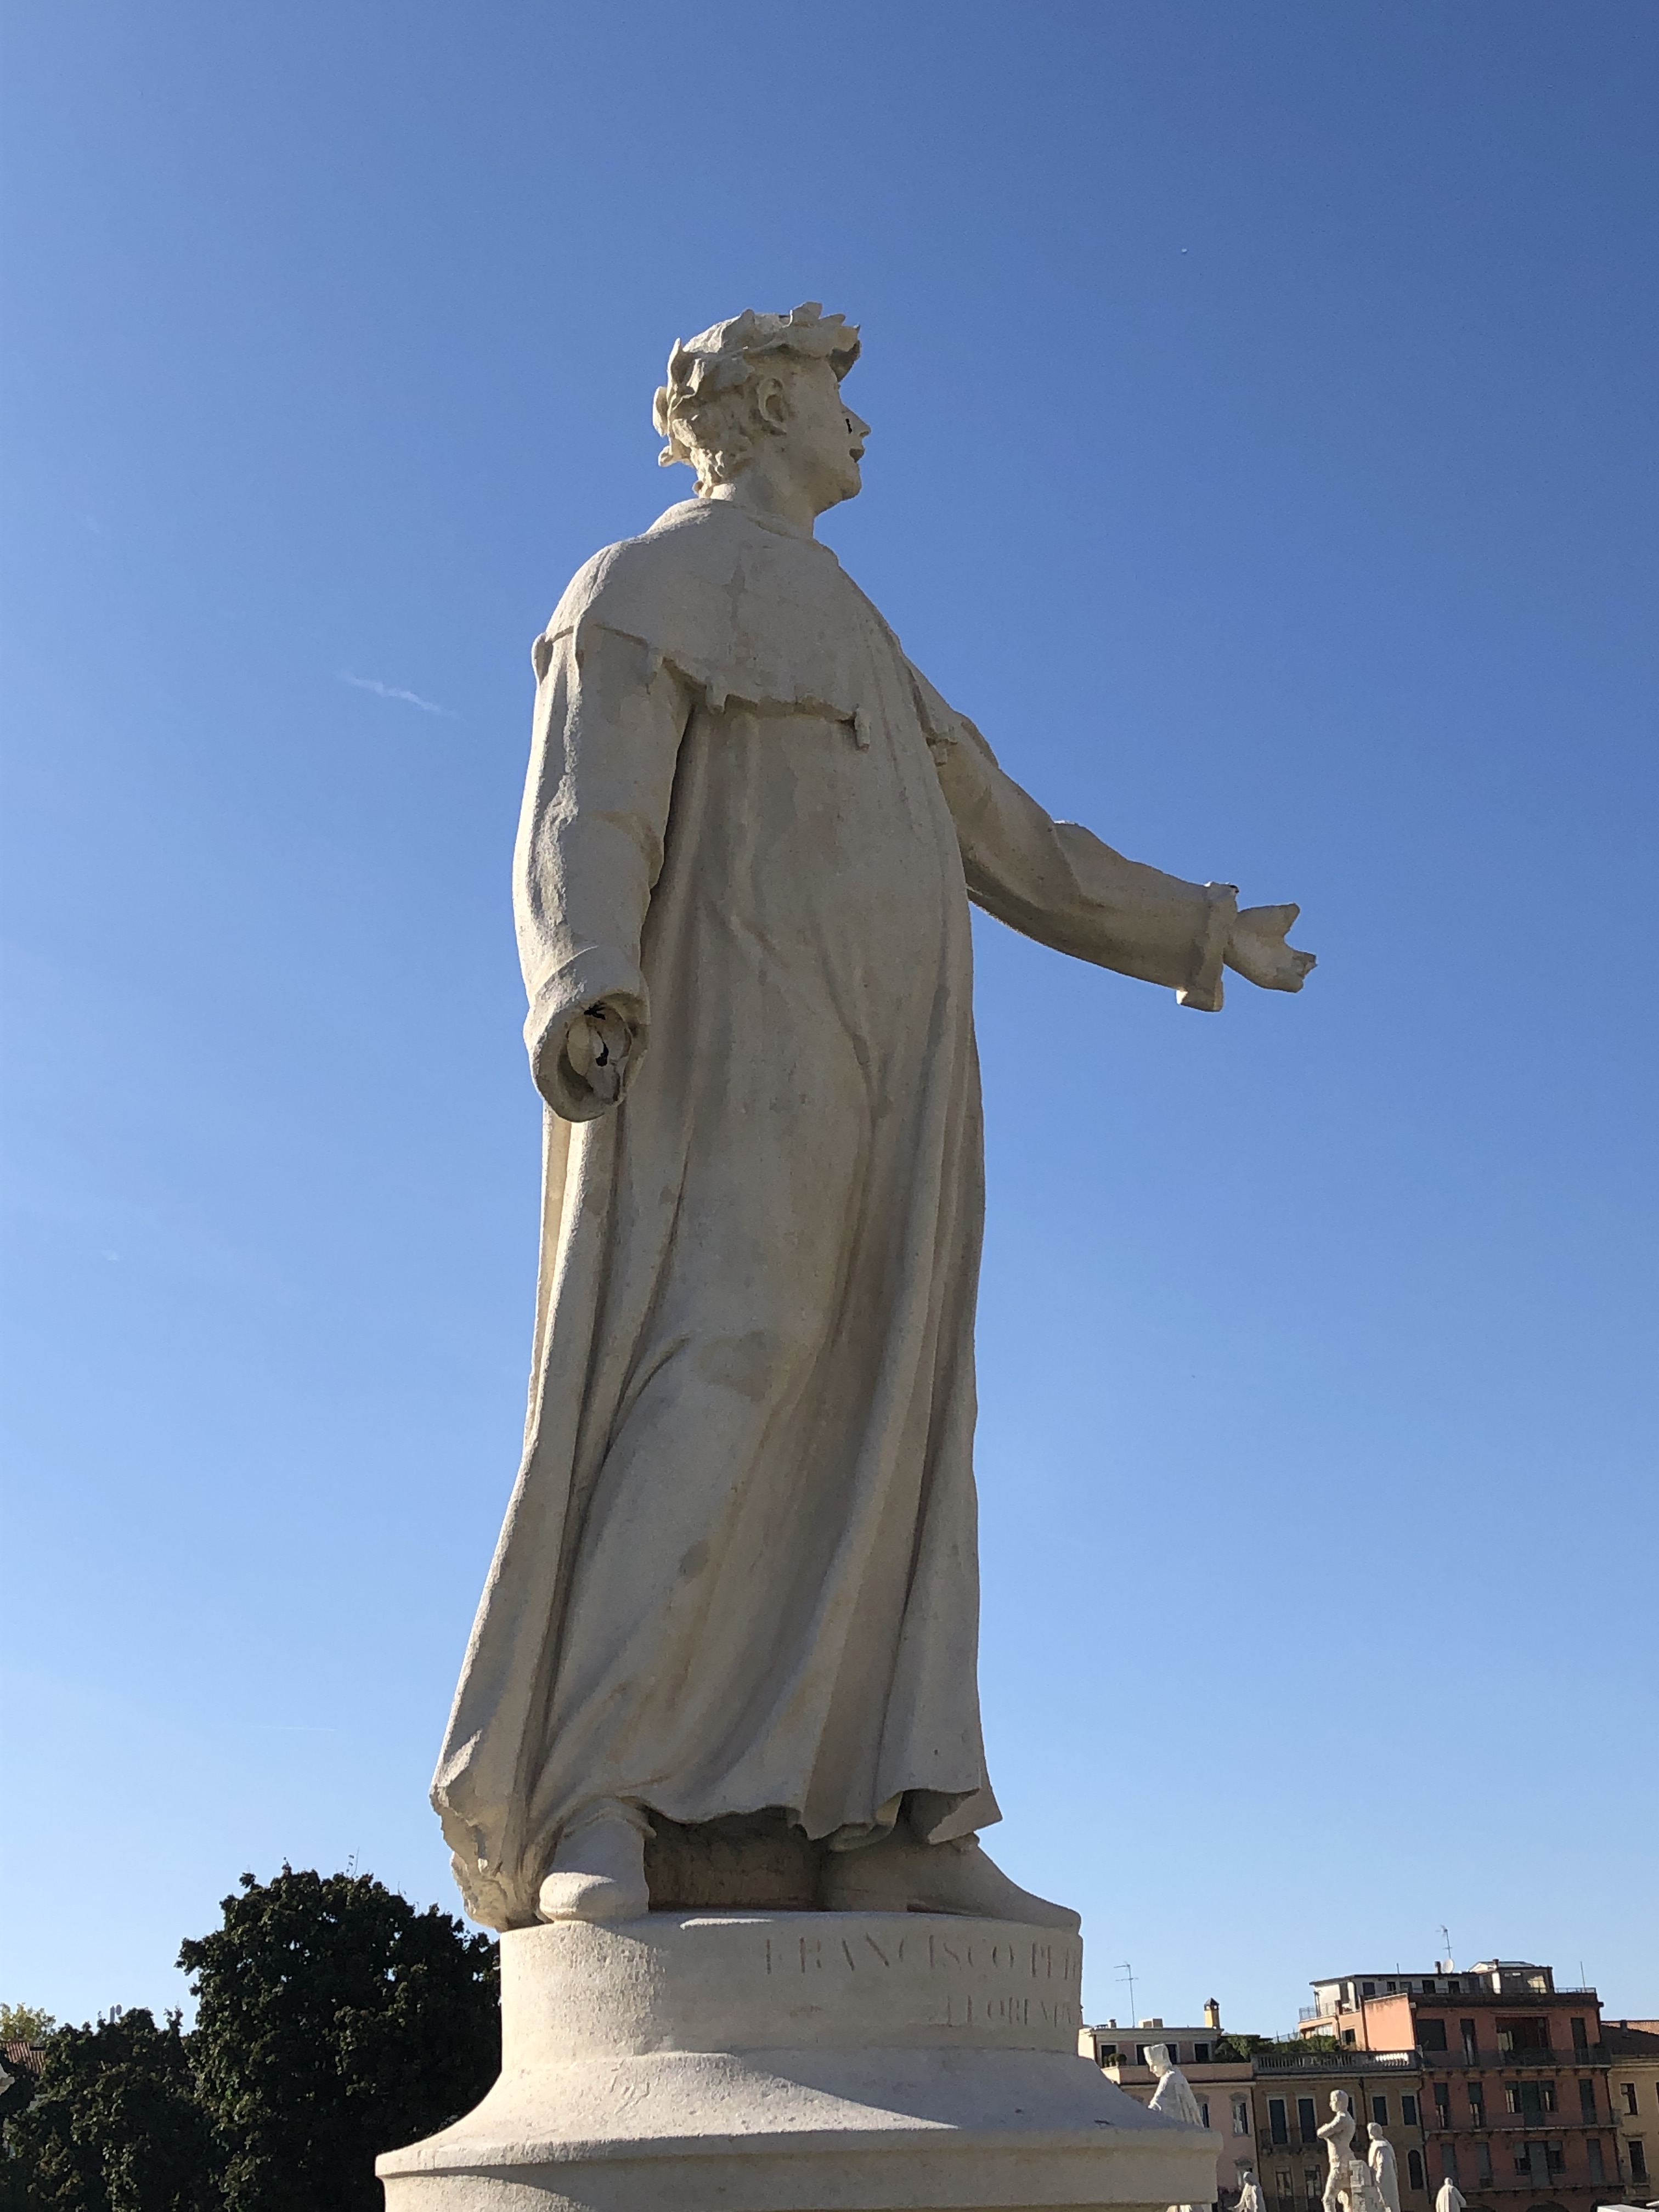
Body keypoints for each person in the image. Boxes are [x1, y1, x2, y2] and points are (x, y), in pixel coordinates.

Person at [431, 302, 1316, 1932]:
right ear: (764, 408)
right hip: (732, 1037)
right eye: (837, 397)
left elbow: (1012, 838)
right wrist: (584, 975)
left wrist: (1197, 928)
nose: (863, 426)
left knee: (898, 1406)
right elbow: (582, 809)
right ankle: (598, 1793)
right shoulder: (636, 590)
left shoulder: (855, 630)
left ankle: (891, 1817)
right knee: (720, 1361)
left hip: (896, 1071)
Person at [1368, 2123, 1402, 2212]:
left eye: (1371, 2130)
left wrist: (1379, 2178)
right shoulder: (1381, 2144)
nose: (1370, 2133)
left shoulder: (1381, 2146)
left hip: (1384, 2181)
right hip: (1383, 2179)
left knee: (1387, 2203)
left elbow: (1383, 2164)